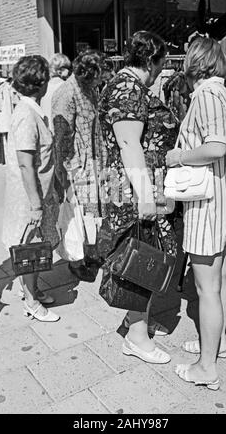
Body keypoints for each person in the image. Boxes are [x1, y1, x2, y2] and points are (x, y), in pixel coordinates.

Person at [166, 37, 226, 389]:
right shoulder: (224, 92)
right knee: (221, 277)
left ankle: (206, 367)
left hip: (207, 204)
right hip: (223, 199)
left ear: (196, 62)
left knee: (206, 287)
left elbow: (215, 146)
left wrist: (178, 156)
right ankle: (218, 343)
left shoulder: (208, 95)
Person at [98, 30, 178, 364]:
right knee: (140, 256)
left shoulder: (129, 86)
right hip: (135, 189)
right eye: (162, 63)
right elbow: (130, 144)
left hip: (139, 185)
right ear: (152, 60)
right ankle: (135, 336)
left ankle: (137, 320)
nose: (163, 69)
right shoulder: (128, 89)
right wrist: (146, 195)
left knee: (145, 254)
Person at [2, 55, 60, 322]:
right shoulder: (26, 114)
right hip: (30, 196)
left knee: (35, 247)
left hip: (37, 193)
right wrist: (36, 205)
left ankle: (33, 290)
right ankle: (31, 301)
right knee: (30, 250)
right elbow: (26, 164)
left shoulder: (31, 110)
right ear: (42, 83)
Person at [52, 49, 107, 282]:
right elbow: (62, 135)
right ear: (89, 73)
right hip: (75, 166)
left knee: (91, 214)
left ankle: (90, 253)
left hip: (93, 162)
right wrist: (64, 171)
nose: (102, 79)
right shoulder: (66, 93)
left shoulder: (89, 89)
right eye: (100, 74)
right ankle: (75, 260)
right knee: (75, 215)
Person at [40, 53, 72, 132]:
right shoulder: (66, 86)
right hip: (62, 131)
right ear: (59, 70)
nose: (69, 70)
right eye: (67, 67)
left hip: (47, 130)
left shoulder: (44, 87)